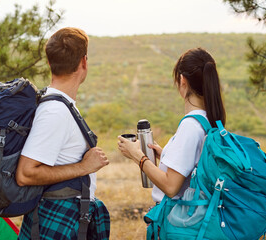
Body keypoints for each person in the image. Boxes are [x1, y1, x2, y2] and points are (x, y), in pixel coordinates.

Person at [16, 27, 110, 240]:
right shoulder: (55, 111)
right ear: (84, 62)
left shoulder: (60, 105)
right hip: (55, 219)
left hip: (63, 217)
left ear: (50, 63)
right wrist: (84, 167)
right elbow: (26, 173)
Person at [118, 47, 226, 202]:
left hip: (177, 221)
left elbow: (170, 187)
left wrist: (137, 156)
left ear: (182, 80)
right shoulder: (209, 121)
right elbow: (197, 168)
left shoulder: (191, 126)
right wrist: (165, 155)